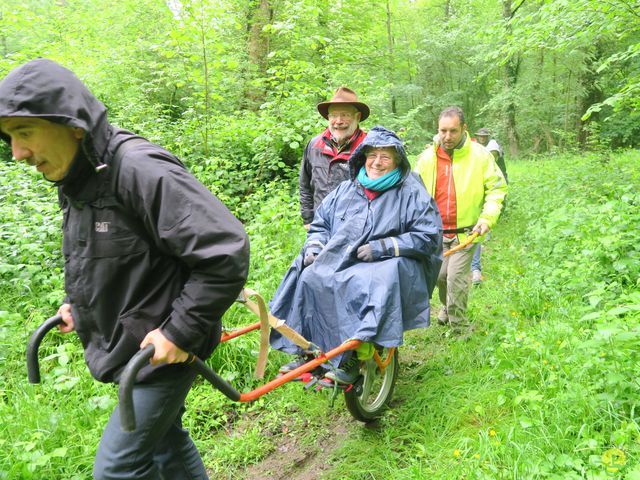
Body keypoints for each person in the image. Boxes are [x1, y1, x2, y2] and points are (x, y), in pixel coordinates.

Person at [0, 59, 250, 480]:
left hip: (160, 350)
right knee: (167, 444)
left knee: (117, 471)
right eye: (9, 137)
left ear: (74, 125)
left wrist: (178, 331)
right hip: (124, 341)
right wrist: (76, 303)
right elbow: (101, 255)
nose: (17, 153)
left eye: (24, 133)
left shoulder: (138, 169)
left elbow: (224, 251)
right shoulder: (75, 177)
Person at [270, 126, 442, 384]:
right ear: (362, 158)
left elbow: (427, 235)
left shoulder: (411, 192)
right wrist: (315, 246)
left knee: (372, 282)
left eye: (386, 157)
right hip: (346, 259)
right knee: (309, 275)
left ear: (397, 161)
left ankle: (354, 356)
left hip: (391, 263)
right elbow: (321, 225)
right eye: (372, 155)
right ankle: (309, 351)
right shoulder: (346, 190)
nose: (377, 162)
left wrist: (385, 247)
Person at [414, 107, 507, 331]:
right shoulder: (427, 158)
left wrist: (487, 218)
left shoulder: (480, 155)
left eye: (453, 131)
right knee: (440, 276)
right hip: (435, 232)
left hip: (467, 232)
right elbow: (413, 191)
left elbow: (496, 188)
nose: (447, 136)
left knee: (455, 278)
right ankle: (446, 307)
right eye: (443, 131)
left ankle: (460, 328)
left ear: (464, 129)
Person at [299, 86, 369, 229]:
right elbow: (305, 184)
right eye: (333, 115)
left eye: (345, 115)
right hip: (320, 224)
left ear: (358, 117)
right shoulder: (314, 145)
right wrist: (308, 219)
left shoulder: (368, 148)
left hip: (356, 227)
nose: (338, 121)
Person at [471, 128, 508, 284]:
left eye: (484, 136)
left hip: (493, 180)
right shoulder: (475, 149)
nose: (482, 138)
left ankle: (475, 268)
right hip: (478, 183)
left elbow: (492, 158)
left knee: (487, 212)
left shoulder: (491, 146)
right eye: (479, 136)